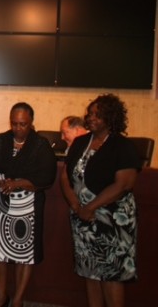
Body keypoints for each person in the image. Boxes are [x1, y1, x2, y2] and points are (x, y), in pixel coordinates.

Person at [59, 94, 140, 307]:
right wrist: (77, 206)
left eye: (98, 115)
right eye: (90, 113)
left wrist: (90, 207)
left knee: (111, 273)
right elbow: (66, 176)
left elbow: (124, 184)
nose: (91, 117)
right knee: (90, 270)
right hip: (83, 218)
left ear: (110, 117)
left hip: (112, 219)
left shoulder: (122, 146)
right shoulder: (80, 142)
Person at [0, 102, 56, 307]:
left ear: (31, 123)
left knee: (24, 255)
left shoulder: (41, 145)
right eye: (14, 123)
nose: (18, 128)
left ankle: (18, 299)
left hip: (28, 205)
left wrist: (18, 183)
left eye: (23, 124)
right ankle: (2, 295)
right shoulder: (0, 141)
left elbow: (46, 177)